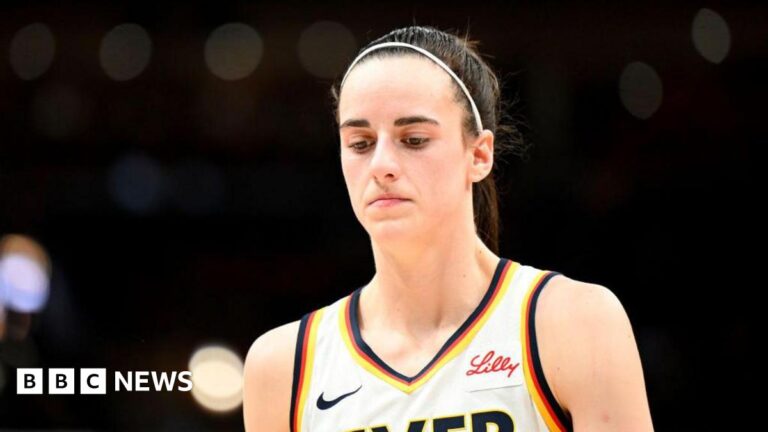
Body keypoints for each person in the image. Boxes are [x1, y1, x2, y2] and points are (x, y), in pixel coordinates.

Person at [243, 25, 654, 432]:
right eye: (361, 143)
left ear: (479, 154)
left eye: (414, 139)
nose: (381, 164)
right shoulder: (284, 366)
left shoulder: (573, 323)